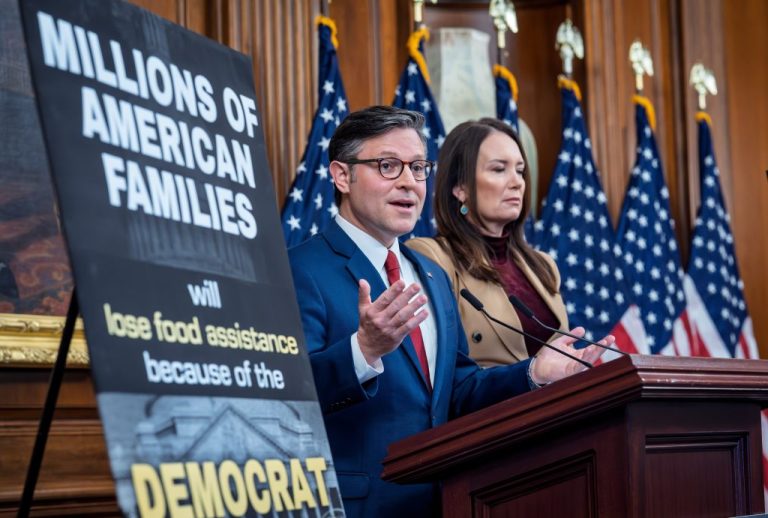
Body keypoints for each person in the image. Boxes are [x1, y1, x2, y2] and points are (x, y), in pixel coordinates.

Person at [288, 106, 612, 517]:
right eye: (388, 165)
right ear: (341, 176)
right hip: (358, 505)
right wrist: (363, 351)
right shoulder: (301, 269)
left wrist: (533, 374)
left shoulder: (430, 276)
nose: (409, 182)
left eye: (419, 167)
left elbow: (458, 390)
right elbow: (288, 396)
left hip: (450, 501)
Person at [408, 118, 567, 366]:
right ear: (460, 187)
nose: (517, 182)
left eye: (520, 170)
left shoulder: (544, 265)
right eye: (498, 169)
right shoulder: (433, 257)